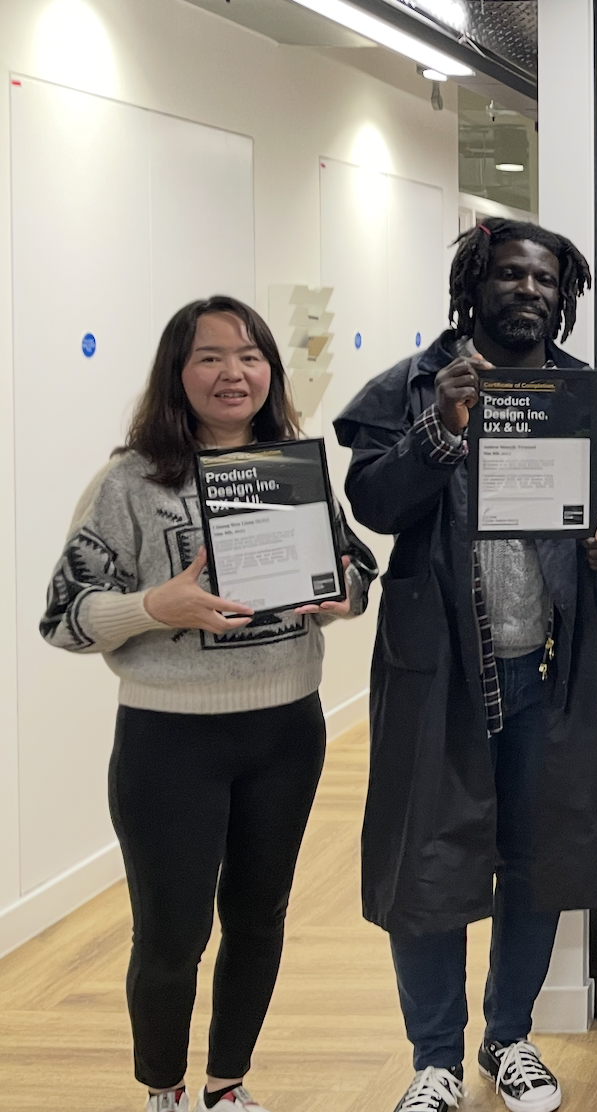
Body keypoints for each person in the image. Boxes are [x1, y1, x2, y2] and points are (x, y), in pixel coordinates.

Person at [335, 219, 597, 1112]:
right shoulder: (414, 389)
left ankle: (508, 1039)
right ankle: (433, 1058)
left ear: (566, 296)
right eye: (510, 276)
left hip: (547, 670)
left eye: (547, 281)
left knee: (540, 858)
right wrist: (440, 428)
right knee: (427, 864)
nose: (530, 292)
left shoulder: (587, 400)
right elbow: (374, 502)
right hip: (439, 672)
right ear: (473, 286)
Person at [43, 296, 376, 1112]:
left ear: (271, 369)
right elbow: (63, 615)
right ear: (176, 373)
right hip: (170, 742)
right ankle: (164, 1088)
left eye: (250, 355)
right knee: (171, 936)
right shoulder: (129, 481)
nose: (234, 373)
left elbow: (357, 572)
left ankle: (227, 1086)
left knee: (259, 919)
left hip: (286, 731)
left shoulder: (294, 468)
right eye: (210, 357)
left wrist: (343, 596)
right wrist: (157, 607)